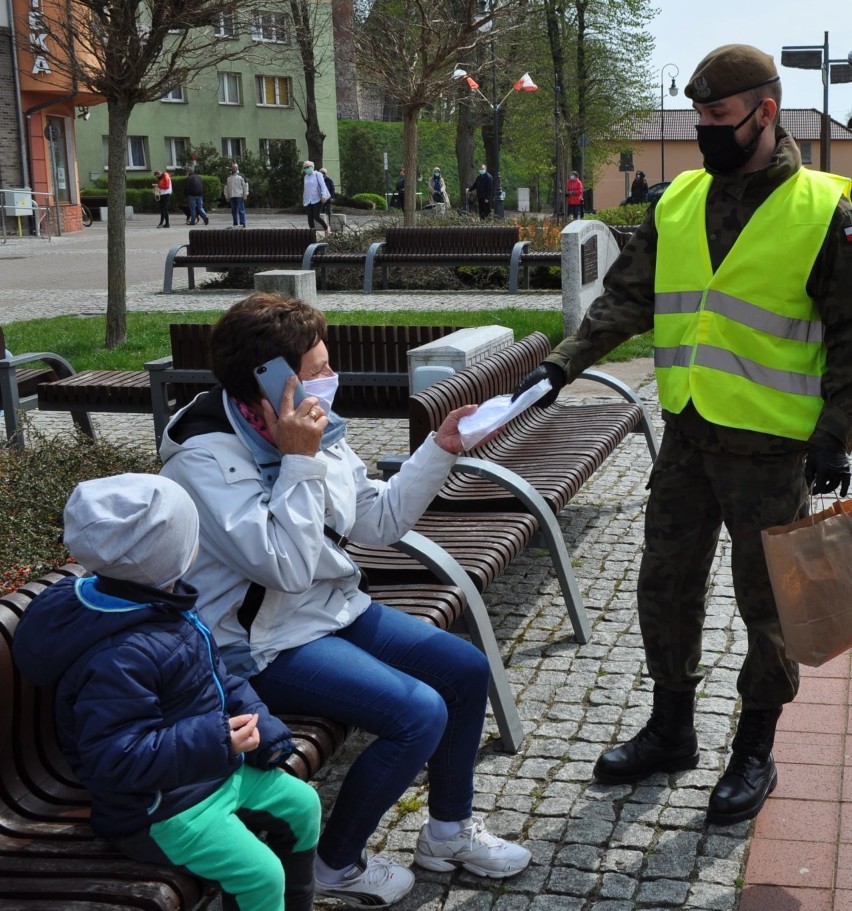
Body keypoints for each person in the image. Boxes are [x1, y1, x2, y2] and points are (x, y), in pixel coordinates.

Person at [513, 44, 852, 827]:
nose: (704, 130)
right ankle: (671, 728)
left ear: (765, 114)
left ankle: (755, 748)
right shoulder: (678, 202)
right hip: (689, 436)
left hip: (771, 451)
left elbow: (850, 334)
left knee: (768, 606)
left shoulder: (824, 210)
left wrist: (836, 433)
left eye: (718, 117)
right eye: (698, 115)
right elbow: (625, 298)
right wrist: (561, 366)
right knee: (664, 585)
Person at [159, 293, 532, 908]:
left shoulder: (311, 427)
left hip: (327, 614)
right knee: (418, 713)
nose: (332, 379)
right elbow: (285, 565)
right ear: (270, 380)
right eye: (318, 369)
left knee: (465, 670)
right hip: (256, 645)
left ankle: (447, 832)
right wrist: (298, 461)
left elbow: (377, 521)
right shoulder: (206, 459)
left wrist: (440, 448)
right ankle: (336, 863)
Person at [11, 473, 321, 911]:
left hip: (208, 771)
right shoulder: (121, 655)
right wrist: (216, 740)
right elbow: (114, 759)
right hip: (157, 811)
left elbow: (217, 679)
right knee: (259, 874)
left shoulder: (161, 605)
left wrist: (261, 724)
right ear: (175, 554)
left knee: (303, 805)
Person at [302, 160, 330, 236]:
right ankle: (312, 233)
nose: (306, 169)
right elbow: (306, 189)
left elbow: (323, 185)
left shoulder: (318, 174)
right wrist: (304, 199)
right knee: (310, 218)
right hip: (308, 200)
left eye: (307, 167)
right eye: (305, 167)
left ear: (312, 167)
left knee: (316, 216)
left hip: (317, 199)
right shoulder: (305, 177)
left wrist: (324, 196)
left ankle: (326, 228)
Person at [224, 162, 249, 228]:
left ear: (237, 168)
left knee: (241, 210)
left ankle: (242, 224)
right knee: (233, 211)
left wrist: (245, 195)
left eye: (235, 167)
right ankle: (235, 224)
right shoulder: (229, 178)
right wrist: (227, 196)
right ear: (231, 168)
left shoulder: (241, 176)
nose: (234, 169)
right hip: (232, 196)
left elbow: (245, 186)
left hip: (239, 195)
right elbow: (226, 187)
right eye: (233, 167)